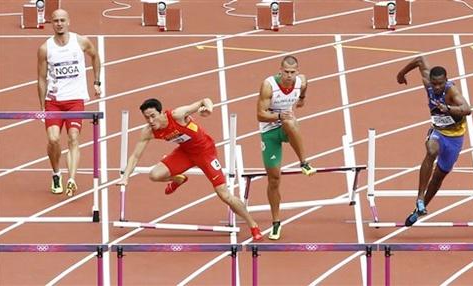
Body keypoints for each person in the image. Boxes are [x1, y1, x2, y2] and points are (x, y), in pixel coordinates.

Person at [117, 98, 263, 241]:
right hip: (185, 153)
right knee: (154, 175)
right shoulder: (148, 131)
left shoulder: (177, 115)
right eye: (146, 117)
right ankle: (178, 178)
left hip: (205, 153)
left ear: (161, 113)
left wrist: (209, 109)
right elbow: (135, 156)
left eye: (153, 116)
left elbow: (204, 100)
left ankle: (253, 226)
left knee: (224, 195)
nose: (150, 121)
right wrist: (126, 177)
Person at [396, 56, 471, 226]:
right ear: (430, 80)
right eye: (434, 83)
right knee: (431, 151)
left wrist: (449, 109)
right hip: (438, 132)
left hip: (455, 138)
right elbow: (420, 60)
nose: (437, 87)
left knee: (438, 177)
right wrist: (401, 74)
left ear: (446, 80)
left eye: (440, 84)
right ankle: (420, 197)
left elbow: (467, 109)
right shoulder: (428, 83)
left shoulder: (452, 92)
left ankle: (419, 210)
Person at [37, 9, 101, 196]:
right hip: (54, 101)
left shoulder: (81, 41)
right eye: (55, 20)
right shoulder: (45, 49)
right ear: (51, 23)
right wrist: (42, 106)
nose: (59, 23)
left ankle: (72, 179)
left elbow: (95, 57)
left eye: (62, 20)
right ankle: (56, 174)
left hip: (75, 99)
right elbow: (41, 78)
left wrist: (96, 82)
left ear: (68, 22)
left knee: (73, 138)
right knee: (54, 139)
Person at [256, 55, 316, 240]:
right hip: (269, 131)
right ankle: (276, 223)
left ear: (297, 72)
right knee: (274, 179)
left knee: (290, 123)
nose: (289, 76)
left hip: (288, 127)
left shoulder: (301, 81)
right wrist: (280, 116)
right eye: (286, 72)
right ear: (280, 70)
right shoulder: (268, 85)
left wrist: (302, 99)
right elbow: (260, 115)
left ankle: (304, 163)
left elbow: (305, 85)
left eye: (293, 72)